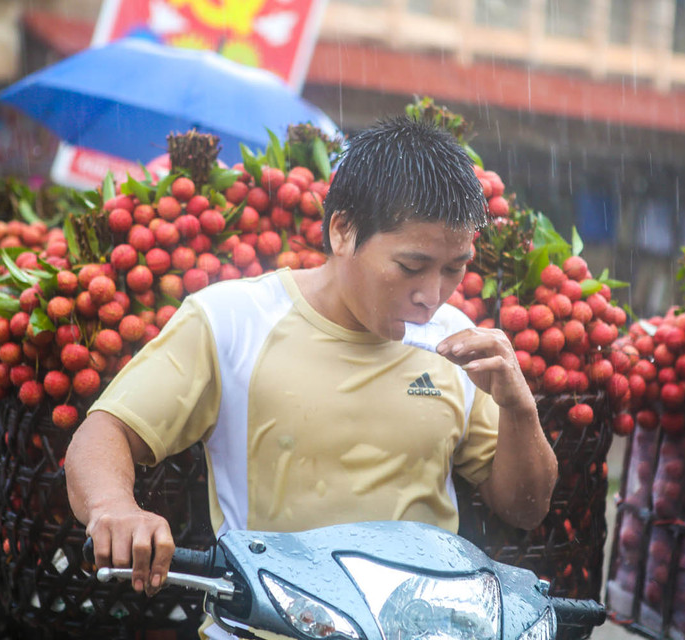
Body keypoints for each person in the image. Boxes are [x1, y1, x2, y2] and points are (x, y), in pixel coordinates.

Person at [64, 117, 558, 607]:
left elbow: (524, 508)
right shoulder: (233, 320)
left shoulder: (460, 340)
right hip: (265, 625)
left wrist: (519, 410)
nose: (432, 296)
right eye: (411, 267)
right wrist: (114, 508)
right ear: (342, 231)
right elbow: (103, 432)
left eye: (455, 268)